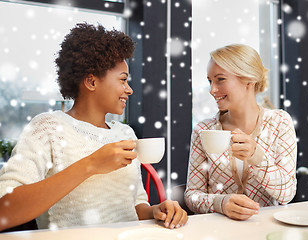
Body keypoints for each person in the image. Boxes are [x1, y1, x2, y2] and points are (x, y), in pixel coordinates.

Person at [0, 23, 188, 232]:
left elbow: (135, 205)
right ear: (91, 81)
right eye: (123, 80)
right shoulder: (48, 128)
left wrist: (154, 211)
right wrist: (90, 165)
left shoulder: (125, 133)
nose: (130, 90)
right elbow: (4, 212)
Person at [184, 44, 297, 221]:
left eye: (220, 79)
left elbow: (287, 194)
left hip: (267, 229)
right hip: (218, 231)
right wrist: (220, 203)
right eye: (209, 81)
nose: (212, 90)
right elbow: (192, 195)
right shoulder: (203, 131)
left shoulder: (280, 123)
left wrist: (257, 158)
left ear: (249, 81)